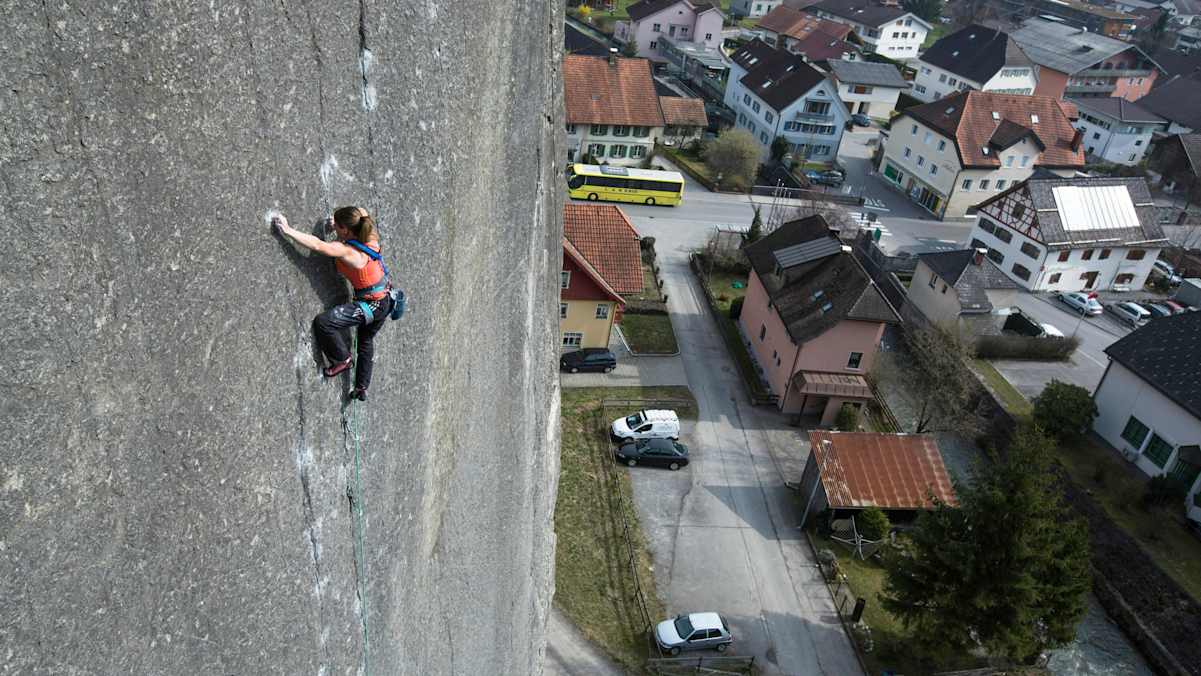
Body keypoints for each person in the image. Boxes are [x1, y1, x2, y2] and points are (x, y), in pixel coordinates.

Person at [273, 206, 393, 402]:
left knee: (324, 323)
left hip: (373, 305)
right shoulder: (370, 237)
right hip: (384, 299)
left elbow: (319, 246)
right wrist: (339, 225)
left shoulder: (349, 252)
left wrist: (288, 230)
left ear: (346, 230)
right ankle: (361, 387)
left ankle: (342, 359)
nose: (334, 228)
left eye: (337, 227)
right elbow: (361, 211)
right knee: (365, 341)